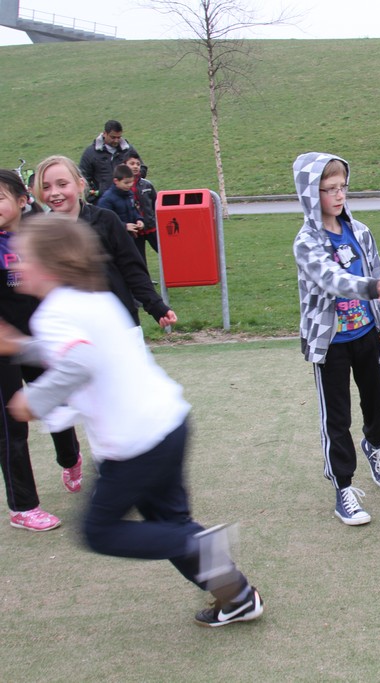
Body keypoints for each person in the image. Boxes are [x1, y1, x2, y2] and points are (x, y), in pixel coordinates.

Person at [0, 215, 263, 627]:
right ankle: (238, 596)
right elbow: (78, 348)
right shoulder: (92, 297)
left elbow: (79, 360)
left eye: (23, 258)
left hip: (134, 444)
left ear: (50, 265)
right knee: (170, 523)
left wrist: (32, 400)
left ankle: (198, 545)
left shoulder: (54, 312)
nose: (15, 264)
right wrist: (20, 346)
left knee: (100, 531)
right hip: (168, 424)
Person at [292, 152, 380, 526]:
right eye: (329, 189)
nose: (339, 195)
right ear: (310, 193)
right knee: (337, 418)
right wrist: (370, 288)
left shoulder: (361, 232)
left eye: (342, 187)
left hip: (367, 335)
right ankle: (344, 488)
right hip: (330, 344)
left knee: (379, 406)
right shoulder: (306, 242)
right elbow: (332, 279)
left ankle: (374, 445)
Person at [0, 170, 81, 532]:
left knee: (57, 405)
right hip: (2, 347)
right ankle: (23, 507)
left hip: (40, 340)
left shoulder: (40, 236)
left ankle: (70, 458)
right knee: (11, 426)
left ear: (22, 201)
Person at [34, 156, 176, 329]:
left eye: (62, 184)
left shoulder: (106, 220)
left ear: (80, 185)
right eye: (46, 187)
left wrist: (155, 306)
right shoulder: (40, 234)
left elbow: (132, 268)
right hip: (70, 329)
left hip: (119, 323)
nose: (54, 192)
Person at [79, 119, 139, 202]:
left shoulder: (128, 150)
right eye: (113, 137)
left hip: (126, 199)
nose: (116, 140)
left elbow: (142, 168)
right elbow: (82, 177)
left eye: (119, 137)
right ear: (104, 134)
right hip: (103, 202)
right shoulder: (90, 153)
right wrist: (95, 195)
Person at [125, 150, 159, 267]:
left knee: (167, 253)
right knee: (140, 261)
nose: (135, 166)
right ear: (124, 165)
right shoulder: (123, 187)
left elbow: (156, 204)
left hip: (151, 227)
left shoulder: (147, 185)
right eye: (132, 164)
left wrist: (155, 220)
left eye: (138, 164)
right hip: (135, 231)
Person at [97, 164, 145, 236]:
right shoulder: (106, 199)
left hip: (130, 235)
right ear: (116, 181)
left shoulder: (129, 194)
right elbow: (105, 220)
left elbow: (133, 210)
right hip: (116, 238)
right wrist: (124, 226)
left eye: (132, 181)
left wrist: (139, 219)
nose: (130, 185)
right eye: (126, 183)